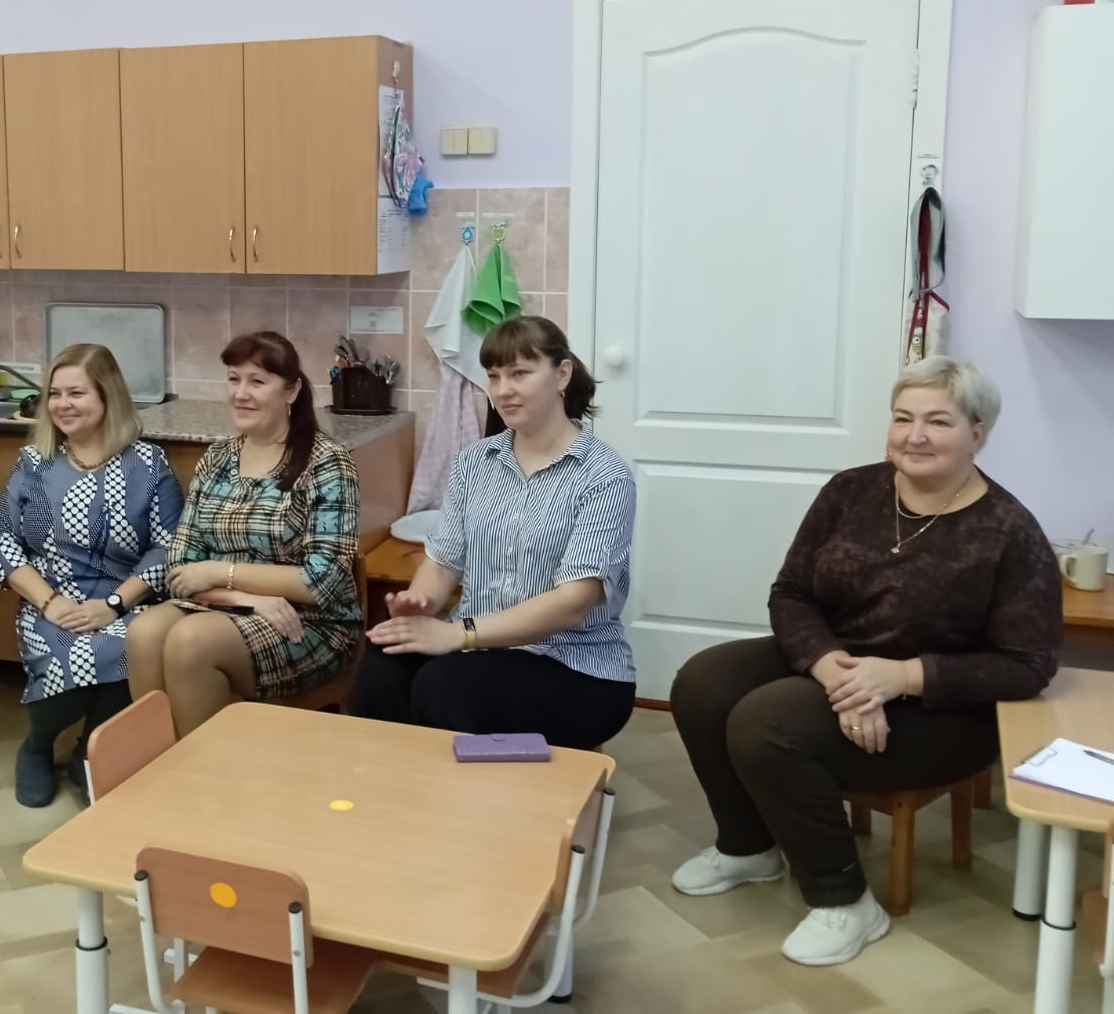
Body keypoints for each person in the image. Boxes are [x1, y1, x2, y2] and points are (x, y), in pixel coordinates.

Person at [669, 357, 1061, 967]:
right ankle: (748, 847)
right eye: (903, 418)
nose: (915, 436)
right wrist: (835, 671)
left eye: (938, 421)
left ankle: (845, 901)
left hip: (943, 710)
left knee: (766, 721)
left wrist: (900, 677)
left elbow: (1027, 664)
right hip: (844, 664)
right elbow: (791, 594)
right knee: (703, 682)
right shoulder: (850, 490)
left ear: (978, 434)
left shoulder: (1009, 530)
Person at [348, 315, 637, 750]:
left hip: (576, 667)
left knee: (444, 686)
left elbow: (573, 602)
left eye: (520, 374)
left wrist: (458, 633)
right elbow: (442, 563)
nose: (503, 390)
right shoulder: (474, 462)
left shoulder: (604, 476)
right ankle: (391, 785)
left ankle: (475, 791)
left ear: (562, 374)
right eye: (495, 376)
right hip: (478, 649)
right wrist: (420, 603)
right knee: (383, 663)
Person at [126, 331, 363, 736]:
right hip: (225, 604)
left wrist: (220, 572)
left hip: (309, 622)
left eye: (257, 381)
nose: (241, 393)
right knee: (143, 633)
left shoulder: (327, 462)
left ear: (292, 391)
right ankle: (160, 766)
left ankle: (206, 772)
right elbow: (182, 566)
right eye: (234, 379)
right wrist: (246, 599)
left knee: (191, 642)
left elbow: (323, 580)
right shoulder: (218, 457)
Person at [0, 344, 184, 807]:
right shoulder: (34, 462)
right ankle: (37, 746)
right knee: (67, 652)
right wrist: (49, 602)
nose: (63, 404)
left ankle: (90, 749)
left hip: (128, 598)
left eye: (76, 393)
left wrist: (114, 605)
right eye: (54, 394)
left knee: (126, 646)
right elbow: (4, 540)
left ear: (107, 395)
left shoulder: (148, 463)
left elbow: (169, 547)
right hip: (51, 597)